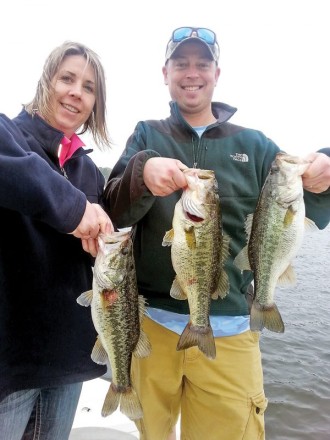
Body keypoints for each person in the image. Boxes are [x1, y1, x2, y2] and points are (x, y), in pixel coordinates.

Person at [103, 26, 330, 440]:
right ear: (165, 73)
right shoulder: (146, 134)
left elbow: (301, 198)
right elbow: (113, 206)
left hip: (231, 328)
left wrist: (324, 169)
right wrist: (141, 172)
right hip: (149, 325)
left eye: (202, 64)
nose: (192, 73)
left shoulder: (256, 145)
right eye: (181, 64)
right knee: (150, 433)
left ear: (217, 73)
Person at [0, 41, 114, 440]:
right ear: (46, 82)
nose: (75, 92)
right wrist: (75, 209)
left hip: (69, 361)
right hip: (13, 365)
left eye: (88, 87)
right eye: (67, 78)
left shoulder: (88, 171)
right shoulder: (8, 135)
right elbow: (19, 174)